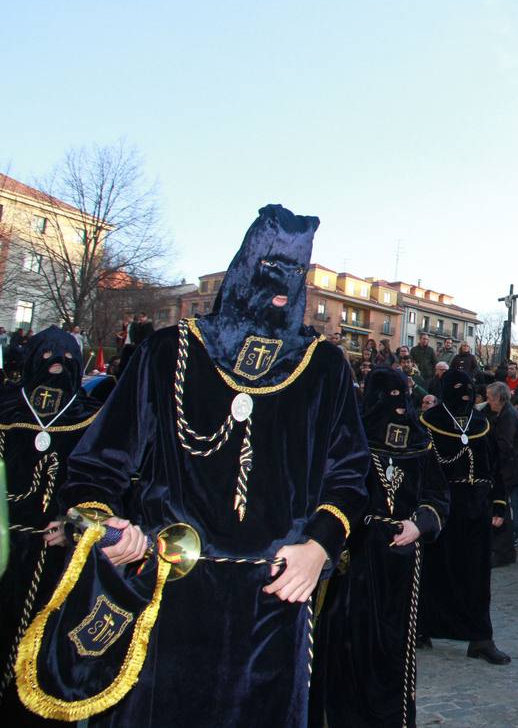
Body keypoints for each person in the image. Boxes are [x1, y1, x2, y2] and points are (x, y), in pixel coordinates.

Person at [47, 205, 369, 728]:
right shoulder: (167, 353)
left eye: (296, 272)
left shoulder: (324, 367)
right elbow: (96, 465)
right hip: (168, 597)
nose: (282, 287)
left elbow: (351, 475)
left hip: (273, 602)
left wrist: (318, 546)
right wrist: (106, 524)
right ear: (242, 265)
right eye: (269, 267)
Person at [312, 367, 450, 728]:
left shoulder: (422, 442)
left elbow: (437, 495)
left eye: (402, 398)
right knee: (349, 647)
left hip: (404, 567)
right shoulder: (349, 441)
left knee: (395, 651)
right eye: (389, 398)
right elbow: (335, 496)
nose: (399, 408)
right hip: (354, 565)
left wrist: (420, 523)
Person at [0, 328, 103, 725]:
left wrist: (75, 523)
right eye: (47, 357)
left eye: (65, 359)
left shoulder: (91, 416)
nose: (56, 364)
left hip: (56, 558)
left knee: (42, 650)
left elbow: (97, 483)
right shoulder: (8, 411)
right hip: (7, 551)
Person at [416, 367, 510, 664]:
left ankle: (480, 638)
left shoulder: (481, 422)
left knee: (477, 575)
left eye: (470, 387)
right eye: (460, 387)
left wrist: (498, 504)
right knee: (434, 571)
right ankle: (422, 626)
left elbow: (494, 467)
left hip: (476, 509)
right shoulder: (429, 422)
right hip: (441, 509)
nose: (466, 393)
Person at [485, 381, 518, 562]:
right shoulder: (503, 414)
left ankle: (503, 552)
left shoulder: (508, 416)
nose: (488, 402)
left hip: (510, 469)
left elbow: (504, 444)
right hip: (506, 468)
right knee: (501, 508)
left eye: (489, 398)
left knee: (501, 510)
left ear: (498, 398)